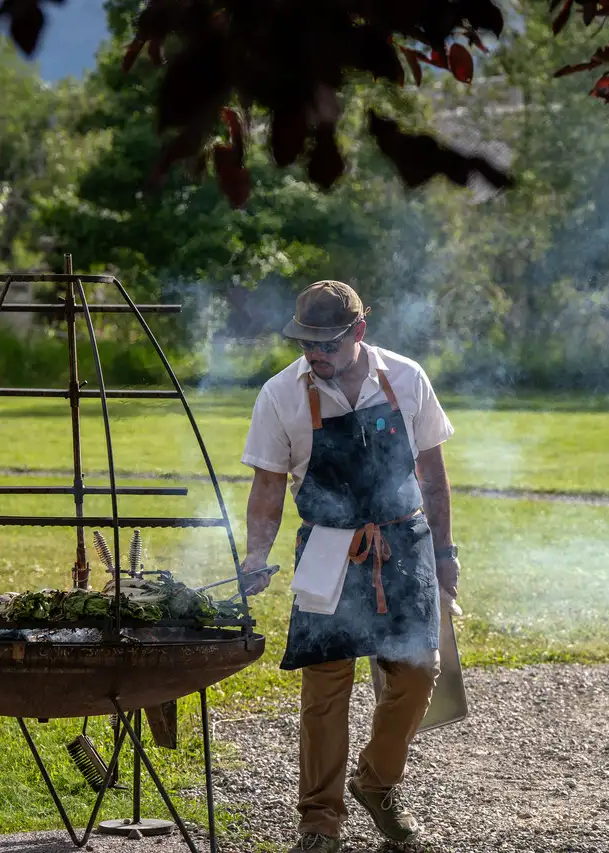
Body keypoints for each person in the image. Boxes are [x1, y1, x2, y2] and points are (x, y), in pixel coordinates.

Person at [237, 280, 461, 853]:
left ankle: (377, 785)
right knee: (325, 689)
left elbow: (433, 476)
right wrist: (255, 556)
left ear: (359, 332)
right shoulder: (280, 394)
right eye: (306, 343)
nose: (315, 355)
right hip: (327, 551)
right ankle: (318, 822)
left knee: (418, 673)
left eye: (327, 345)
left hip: (402, 544)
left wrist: (444, 553)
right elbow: (267, 485)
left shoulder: (406, 378)